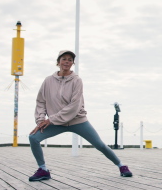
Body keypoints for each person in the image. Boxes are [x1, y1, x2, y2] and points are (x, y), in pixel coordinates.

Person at [28, 50, 132, 181]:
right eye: (64, 59)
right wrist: (40, 120)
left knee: (100, 145)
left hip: (77, 121)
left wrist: (50, 119)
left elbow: (74, 105)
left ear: (72, 63)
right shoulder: (48, 81)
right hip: (56, 123)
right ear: (58, 62)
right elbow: (41, 101)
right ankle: (43, 170)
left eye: (70, 60)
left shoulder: (77, 81)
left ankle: (121, 166)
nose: (67, 61)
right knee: (33, 138)